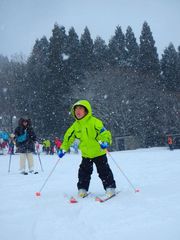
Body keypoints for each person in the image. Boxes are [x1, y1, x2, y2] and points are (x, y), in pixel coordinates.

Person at [58, 100, 116, 197]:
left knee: (104, 171)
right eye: (76, 109)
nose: (78, 111)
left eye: (80, 109)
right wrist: (63, 148)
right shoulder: (75, 126)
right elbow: (68, 138)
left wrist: (105, 141)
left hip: (99, 152)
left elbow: (104, 133)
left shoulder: (95, 122)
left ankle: (110, 187)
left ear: (86, 110)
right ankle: (82, 189)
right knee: (83, 172)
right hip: (86, 154)